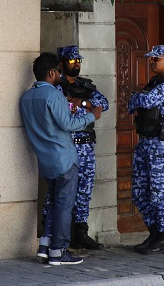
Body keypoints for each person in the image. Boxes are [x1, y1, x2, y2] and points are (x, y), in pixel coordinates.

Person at [19, 52, 102, 265]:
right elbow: (67, 125)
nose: (59, 75)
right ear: (51, 73)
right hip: (64, 159)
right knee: (64, 205)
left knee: (55, 204)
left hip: (45, 161)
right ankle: (59, 251)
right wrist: (92, 116)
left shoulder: (27, 98)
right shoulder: (53, 95)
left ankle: (45, 247)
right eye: (57, 71)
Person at [42, 45, 109, 250]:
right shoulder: (56, 86)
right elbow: (63, 106)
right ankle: (50, 235)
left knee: (84, 191)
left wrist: (82, 102)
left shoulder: (85, 85)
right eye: (72, 61)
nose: (77, 64)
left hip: (87, 146)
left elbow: (103, 104)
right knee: (57, 193)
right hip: (67, 147)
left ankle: (81, 233)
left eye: (79, 60)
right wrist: (83, 105)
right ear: (61, 64)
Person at [127, 45, 164, 254]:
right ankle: (155, 232)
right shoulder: (155, 82)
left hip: (162, 144)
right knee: (139, 192)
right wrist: (136, 98)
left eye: (156, 59)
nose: (152, 62)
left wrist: (137, 97)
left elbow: (144, 100)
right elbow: (131, 103)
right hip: (145, 142)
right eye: (151, 59)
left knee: (159, 192)